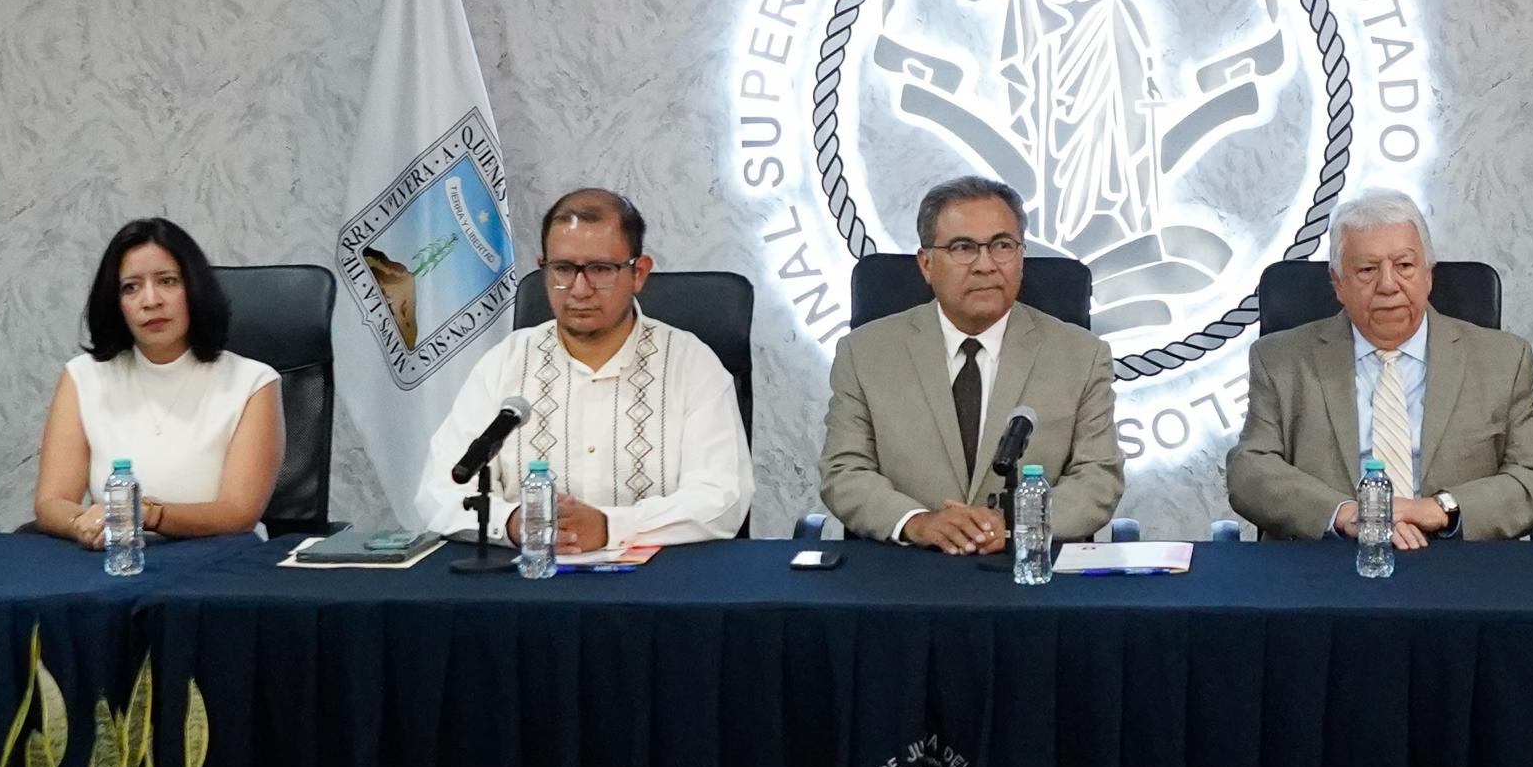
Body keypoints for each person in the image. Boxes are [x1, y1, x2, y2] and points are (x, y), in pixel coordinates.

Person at [423, 187, 753, 548]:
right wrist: (513, 523)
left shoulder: (691, 365)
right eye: (563, 269)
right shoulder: (506, 362)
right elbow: (440, 491)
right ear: (544, 268)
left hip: (659, 579)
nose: (579, 290)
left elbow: (722, 497)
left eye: (600, 269)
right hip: (529, 575)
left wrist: (611, 527)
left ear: (639, 273)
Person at [1225, 189, 1533, 543]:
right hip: (1329, 556)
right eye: (1367, 270)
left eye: (1404, 266)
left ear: (1428, 275)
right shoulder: (1280, 360)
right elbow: (1250, 471)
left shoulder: (1503, 360)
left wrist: (1439, 509)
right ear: (1338, 283)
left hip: (1457, 556)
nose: (1388, 285)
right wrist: (1344, 513)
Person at [818, 176, 1124, 549]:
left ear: (1021, 257)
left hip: (1027, 567)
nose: (985, 265)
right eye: (963, 247)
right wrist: (918, 522)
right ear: (926, 264)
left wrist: (1012, 525)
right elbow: (845, 471)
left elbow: (1097, 479)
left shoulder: (1082, 355)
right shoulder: (864, 353)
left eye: (1002, 246)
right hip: (907, 567)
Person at [32, 218, 284, 545]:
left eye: (167, 281)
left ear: (194, 289)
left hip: (223, 558)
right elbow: (52, 501)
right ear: (116, 303)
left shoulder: (252, 382)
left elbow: (238, 513)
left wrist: (146, 514)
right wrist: (80, 522)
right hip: (119, 557)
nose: (150, 301)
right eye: (131, 287)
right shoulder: (83, 377)